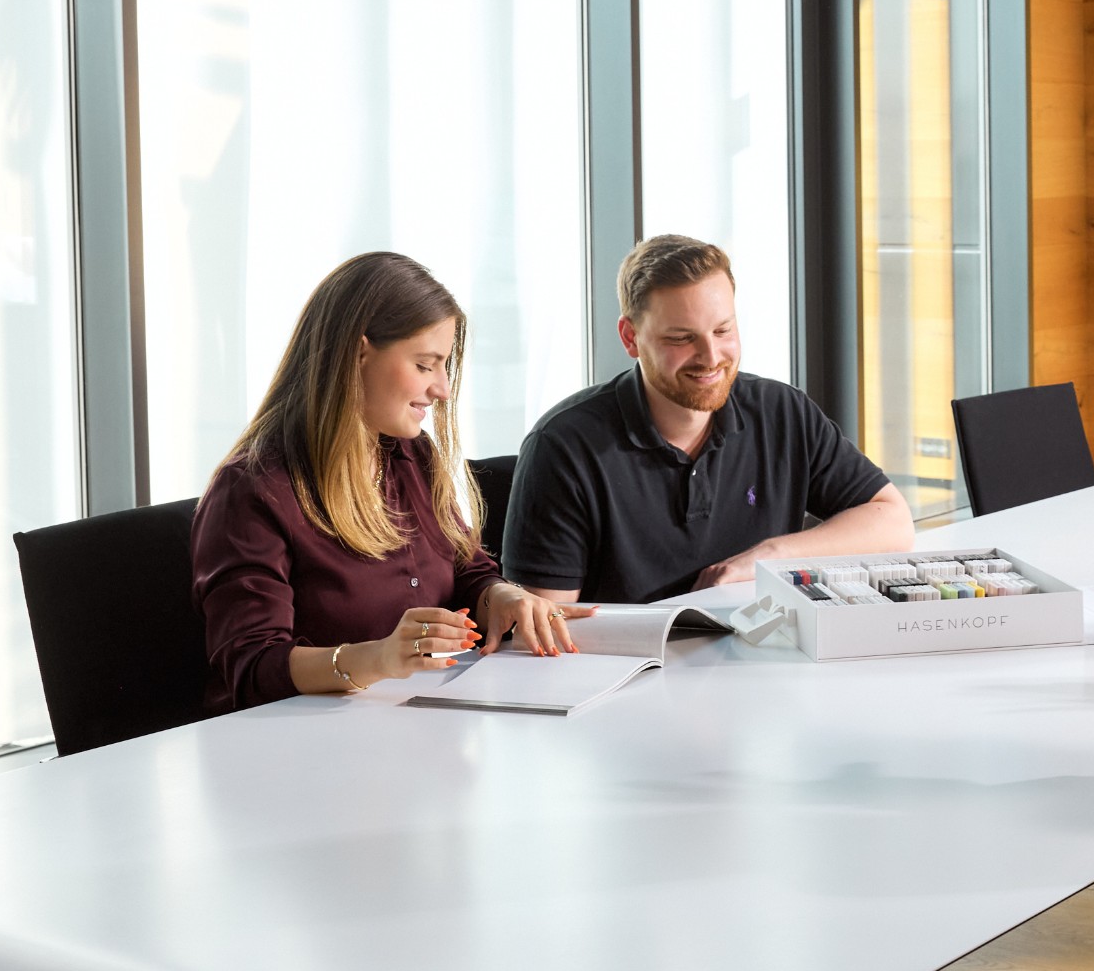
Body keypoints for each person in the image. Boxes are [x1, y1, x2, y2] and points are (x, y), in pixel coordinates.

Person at [192, 252, 590, 712]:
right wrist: (379, 657)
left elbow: (464, 570)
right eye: (424, 365)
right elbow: (252, 668)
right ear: (358, 353)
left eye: (444, 366)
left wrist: (500, 595)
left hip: (414, 719)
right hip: (299, 738)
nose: (442, 389)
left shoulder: (411, 454)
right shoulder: (252, 489)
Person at [500, 235, 912, 605]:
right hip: (633, 662)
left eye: (722, 330)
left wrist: (769, 556)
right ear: (630, 338)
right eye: (681, 338)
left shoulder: (783, 411)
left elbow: (892, 522)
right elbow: (543, 628)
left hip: (762, 655)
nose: (711, 357)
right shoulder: (563, 445)